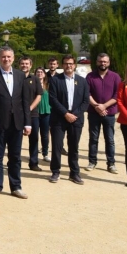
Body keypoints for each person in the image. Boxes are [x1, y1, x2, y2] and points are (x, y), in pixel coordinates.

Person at [0, 46, 32, 199]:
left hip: (17, 123)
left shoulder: (20, 75)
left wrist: (27, 123)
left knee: (15, 156)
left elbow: (25, 101)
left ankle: (16, 186)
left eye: (9, 57)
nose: (6, 59)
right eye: (3, 57)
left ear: (13, 58)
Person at [48, 55, 90, 185]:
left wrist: (74, 114)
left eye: (71, 63)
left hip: (76, 119)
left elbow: (85, 101)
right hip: (59, 118)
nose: (68, 66)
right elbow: (52, 99)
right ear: (62, 65)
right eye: (66, 63)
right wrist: (66, 113)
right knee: (57, 146)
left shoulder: (82, 81)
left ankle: (74, 173)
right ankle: (55, 171)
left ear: (75, 65)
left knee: (74, 147)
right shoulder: (55, 80)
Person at [85, 53, 121, 174]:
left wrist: (104, 106)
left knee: (109, 139)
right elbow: (87, 93)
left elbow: (117, 95)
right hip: (93, 112)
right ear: (97, 62)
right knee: (93, 138)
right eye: (100, 61)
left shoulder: (115, 77)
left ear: (109, 63)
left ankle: (111, 164)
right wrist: (96, 106)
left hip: (109, 113)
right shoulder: (90, 76)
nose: (103, 63)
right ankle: (92, 162)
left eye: (105, 61)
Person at [19, 56, 43, 172]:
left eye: (26, 63)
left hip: (33, 114)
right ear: (19, 65)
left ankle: (33, 162)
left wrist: (29, 108)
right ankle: (14, 162)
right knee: (15, 139)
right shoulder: (15, 78)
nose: (24, 65)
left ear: (30, 65)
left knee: (34, 139)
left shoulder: (35, 79)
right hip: (17, 114)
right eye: (22, 63)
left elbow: (39, 95)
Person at [35, 67, 52, 162]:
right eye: (38, 72)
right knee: (34, 134)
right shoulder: (33, 84)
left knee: (45, 134)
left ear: (44, 74)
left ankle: (45, 153)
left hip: (46, 112)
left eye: (41, 72)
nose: (40, 73)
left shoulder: (48, 85)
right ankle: (34, 153)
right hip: (35, 112)